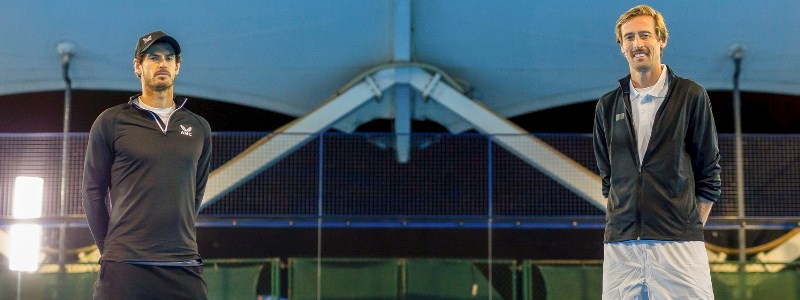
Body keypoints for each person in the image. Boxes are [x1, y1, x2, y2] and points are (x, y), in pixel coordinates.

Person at [593, 5, 721, 299]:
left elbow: (709, 174)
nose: (637, 44)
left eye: (645, 35)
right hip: (621, 249)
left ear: (661, 40)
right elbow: (608, 177)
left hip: (678, 247)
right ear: (621, 46)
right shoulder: (607, 106)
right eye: (629, 38)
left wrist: (683, 223)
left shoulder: (691, 95)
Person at [82, 30, 211, 300]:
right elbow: (93, 192)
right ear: (138, 67)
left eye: (169, 57)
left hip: (183, 265)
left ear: (178, 66)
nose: (162, 63)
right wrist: (111, 250)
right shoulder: (111, 121)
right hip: (124, 268)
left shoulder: (198, 127)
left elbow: (195, 193)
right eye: (153, 57)